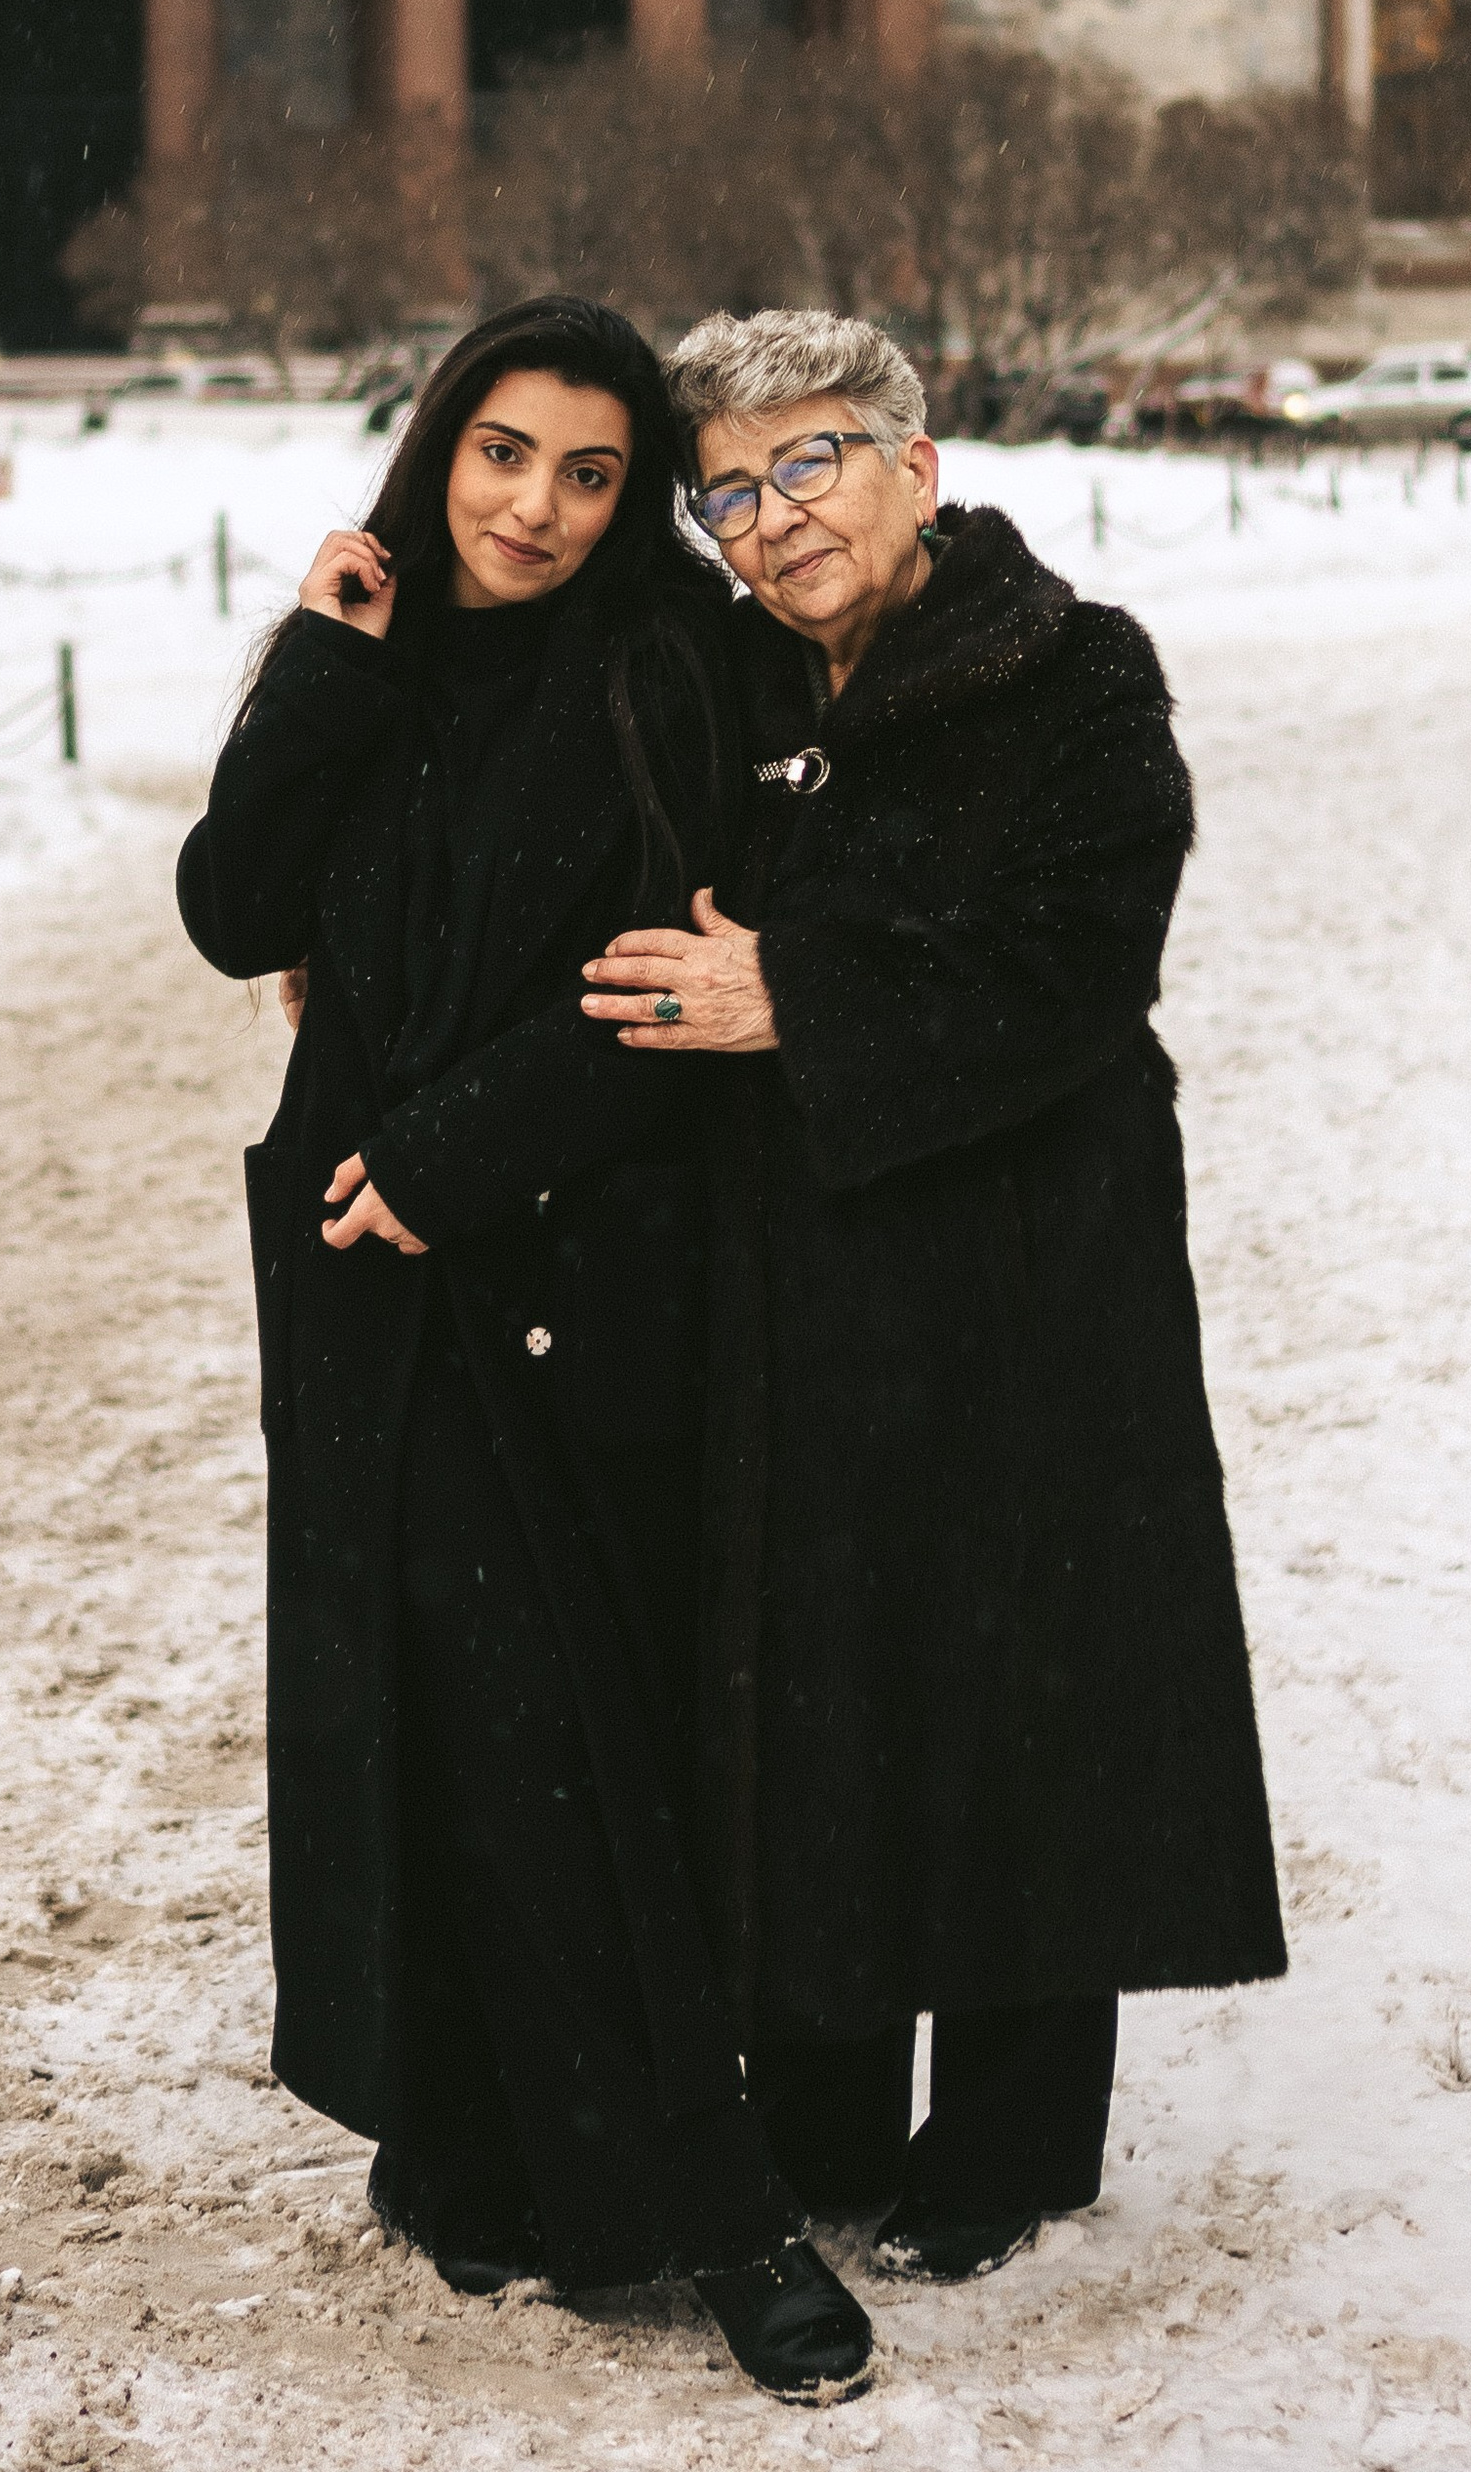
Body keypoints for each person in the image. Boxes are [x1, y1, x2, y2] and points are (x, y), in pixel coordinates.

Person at [176, 296, 874, 2405]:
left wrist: (450, 1153)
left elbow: (653, 989)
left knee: (562, 1721)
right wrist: (317, 657)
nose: (538, 509)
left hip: (560, 1254)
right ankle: (471, 2137)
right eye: (503, 455)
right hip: (358, 1259)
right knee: (418, 1705)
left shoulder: (669, 667)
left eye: (588, 472)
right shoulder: (371, 657)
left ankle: (719, 2206)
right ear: (439, 442)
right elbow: (229, 909)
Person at [583, 308, 1286, 2282]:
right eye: (725, 486)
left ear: (912, 461)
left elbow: (1078, 953)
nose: (767, 515)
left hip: (1020, 1275)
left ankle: (1004, 2142)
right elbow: (539, 811)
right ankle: (811, 2108)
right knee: (806, 1686)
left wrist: (793, 991)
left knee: (1020, 1690)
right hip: (789, 1273)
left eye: (806, 462)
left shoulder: (1068, 667)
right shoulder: (714, 683)